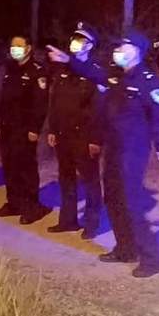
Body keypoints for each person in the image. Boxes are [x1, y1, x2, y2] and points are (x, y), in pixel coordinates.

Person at [47, 28, 159, 278]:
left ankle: (151, 259)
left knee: (131, 203)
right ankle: (125, 249)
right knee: (113, 199)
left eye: (124, 47)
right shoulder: (116, 76)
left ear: (137, 51)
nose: (118, 51)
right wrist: (68, 60)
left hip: (133, 150)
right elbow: (91, 72)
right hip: (114, 147)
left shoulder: (147, 80)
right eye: (118, 46)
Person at [47, 22, 103, 239]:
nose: (74, 42)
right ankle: (68, 221)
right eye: (74, 38)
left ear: (90, 45)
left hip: (84, 136)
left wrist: (95, 139)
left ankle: (91, 223)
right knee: (66, 178)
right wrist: (52, 129)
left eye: (80, 39)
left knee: (90, 181)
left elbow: (99, 109)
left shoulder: (95, 71)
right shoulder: (63, 68)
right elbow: (55, 101)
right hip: (63, 134)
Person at [0, 36, 51, 225]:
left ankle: (32, 207)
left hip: (25, 129)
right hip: (7, 127)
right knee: (10, 166)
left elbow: (41, 104)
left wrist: (35, 128)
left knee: (26, 168)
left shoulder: (37, 71)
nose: (14, 49)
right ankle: (14, 203)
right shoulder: (11, 69)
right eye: (12, 46)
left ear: (28, 48)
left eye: (19, 45)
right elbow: (3, 100)